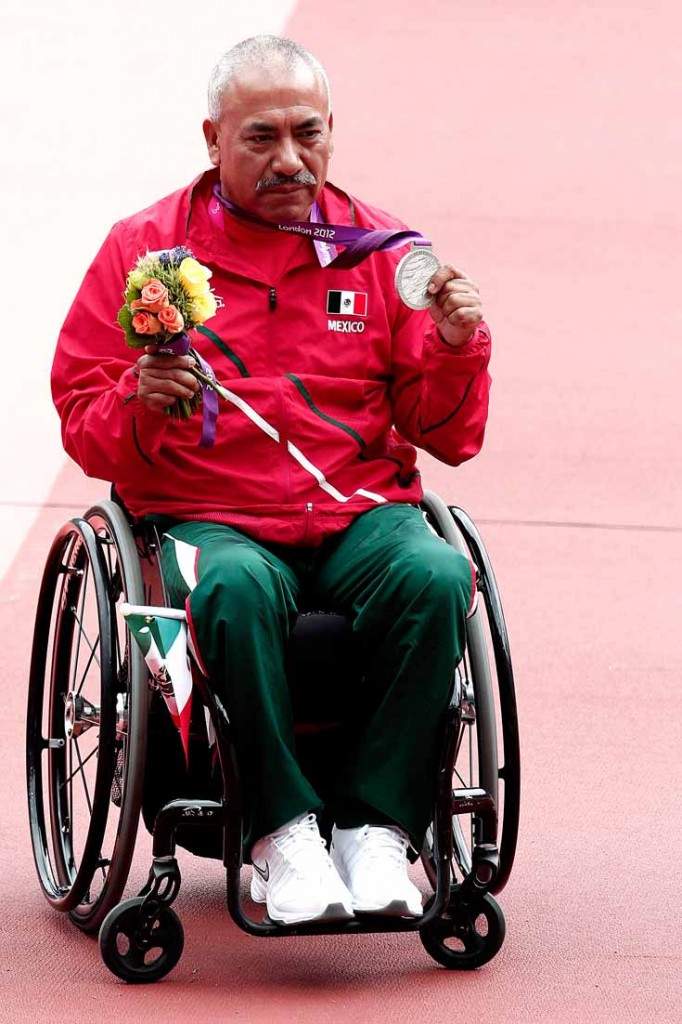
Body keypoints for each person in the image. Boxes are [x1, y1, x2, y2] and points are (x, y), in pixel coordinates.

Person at [52, 35, 492, 927]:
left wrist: (454, 348)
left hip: (355, 514)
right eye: (260, 138)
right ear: (211, 138)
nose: (289, 159)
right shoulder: (144, 252)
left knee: (439, 575)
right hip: (207, 515)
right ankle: (282, 833)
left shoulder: (379, 252)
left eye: (307, 133)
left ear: (332, 131)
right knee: (234, 586)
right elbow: (81, 423)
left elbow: (447, 437)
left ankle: (377, 830)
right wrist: (141, 401)